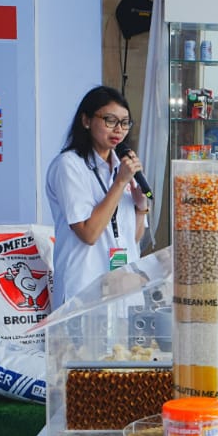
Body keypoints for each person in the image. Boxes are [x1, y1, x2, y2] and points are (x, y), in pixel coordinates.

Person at [45, 86, 150, 310]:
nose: (119, 129)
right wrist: (119, 183)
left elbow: (132, 238)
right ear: (86, 120)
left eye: (125, 122)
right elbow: (89, 233)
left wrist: (141, 208)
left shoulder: (123, 166)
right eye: (110, 120)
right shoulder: (69, 166)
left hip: (122, 291)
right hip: (84, 290)